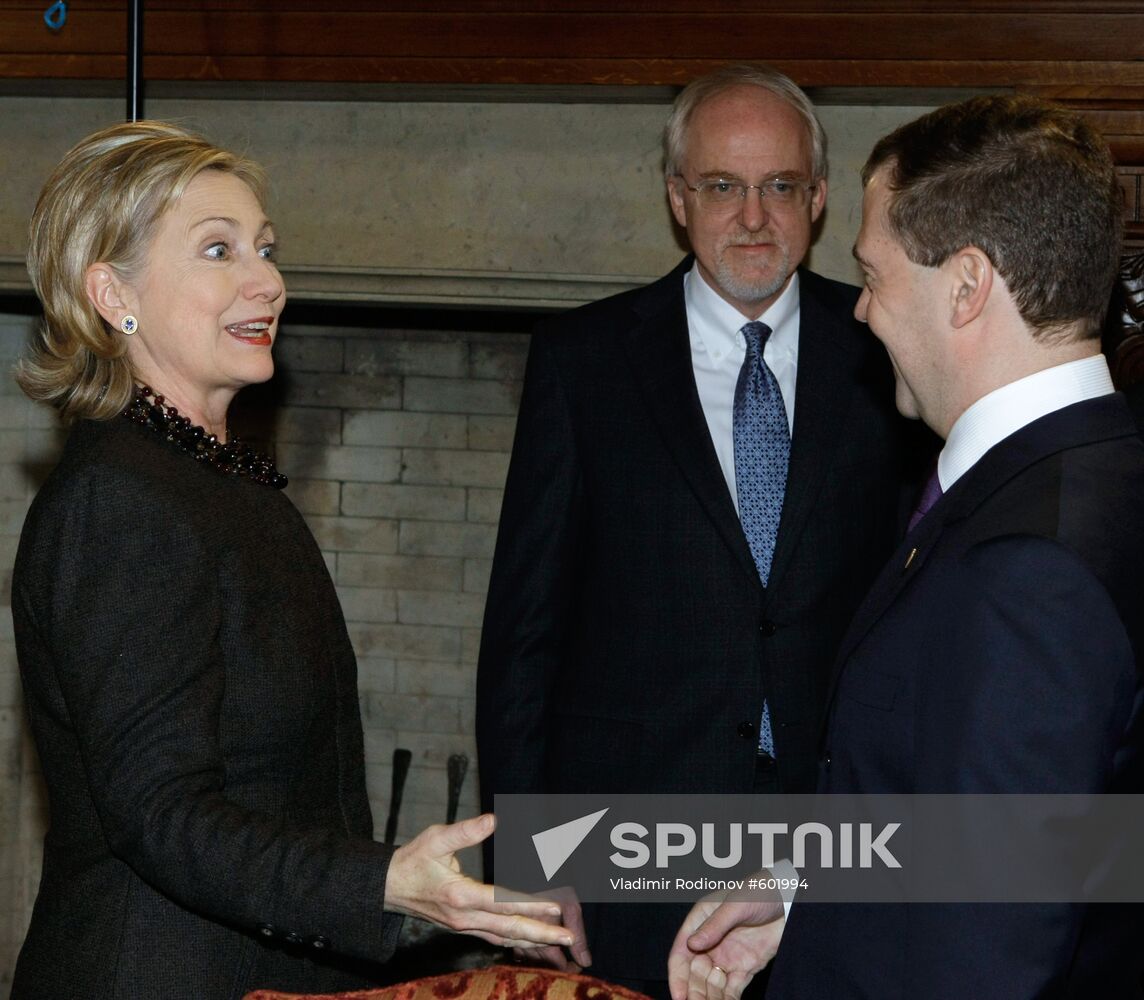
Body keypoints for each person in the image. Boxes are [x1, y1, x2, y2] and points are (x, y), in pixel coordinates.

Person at [9, 121, 576, 999]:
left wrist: (403, 895)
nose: (268, 280)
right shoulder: (119, 501)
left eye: (266, 249)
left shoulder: (220, 483)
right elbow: (162, 815)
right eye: (218, 250)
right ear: (111, 291)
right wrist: (383, 884)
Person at [669, 94, 1144, 999]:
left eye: (876, 275)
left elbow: (981, 955)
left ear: (966, 286)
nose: (861, 313)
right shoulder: (1098, 476)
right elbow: (1022, 840)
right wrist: (803, 891)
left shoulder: (1028, 570)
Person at [476, 64, 920, 998]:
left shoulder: (889, 355)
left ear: (820, 198)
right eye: (723, 186)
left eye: (781, 188)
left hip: (824, 840)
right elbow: (524, 640)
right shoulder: (583, 365)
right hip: (626, 849)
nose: (753, 217)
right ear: (680, 199)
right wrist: (531, 860)